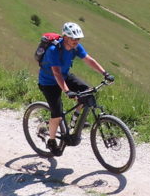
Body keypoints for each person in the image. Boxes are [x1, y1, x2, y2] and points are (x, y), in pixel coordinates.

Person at [38, 22, 112, 154]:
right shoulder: (53, 50)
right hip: (49, 82)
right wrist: (67, 90)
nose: (76, 41)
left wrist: (105, 73)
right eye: (74, 38)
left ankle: (78, 121)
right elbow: (56, 73)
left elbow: (89, 60)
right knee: (57, 114)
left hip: (65, 76)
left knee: (87, 92)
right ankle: (52, 141)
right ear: (65, 37)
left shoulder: (76, 47)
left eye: (78, 38)